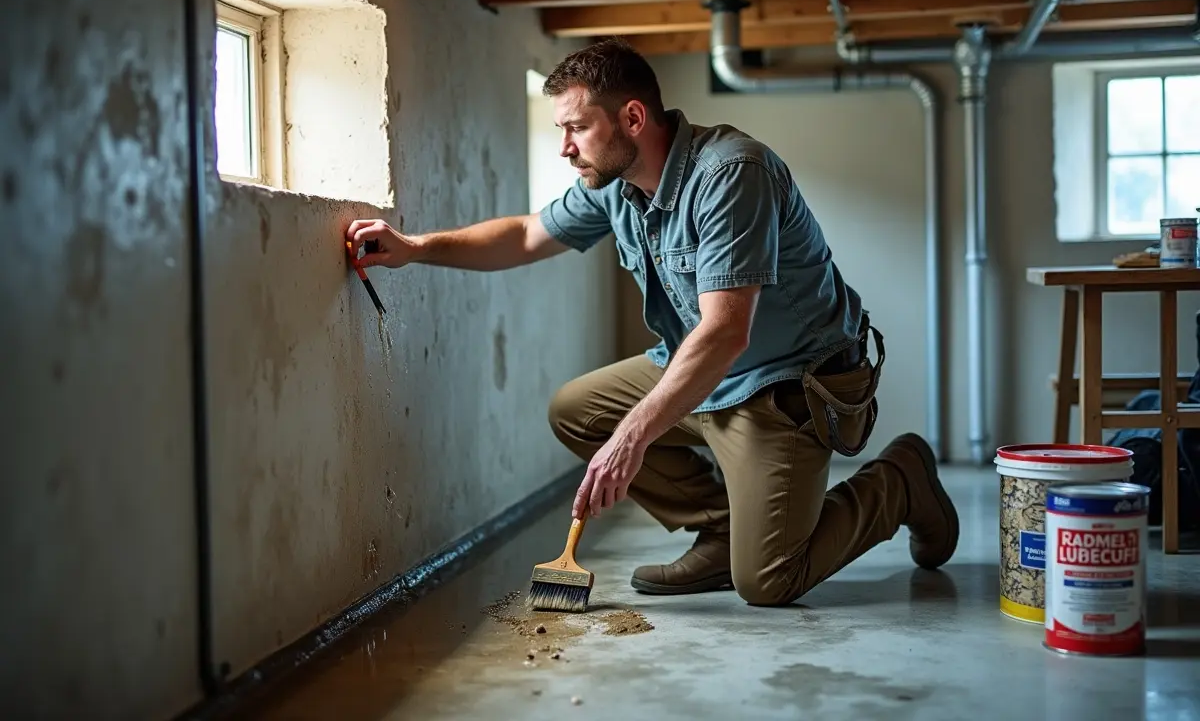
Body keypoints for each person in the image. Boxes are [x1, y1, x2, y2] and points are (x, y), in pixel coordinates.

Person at [345, 38, 958, 607]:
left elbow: (724, 332)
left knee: (769, 580)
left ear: (633, 119)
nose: (565, 147)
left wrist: (631, 439)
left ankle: (900, 480)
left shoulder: (729, 174)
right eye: (561, 130)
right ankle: (720, 531)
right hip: (705, 372)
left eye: (577, 128)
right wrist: (416, 246)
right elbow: (528, 235)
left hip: (786, 385)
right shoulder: (611, 183)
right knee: (576, 411)